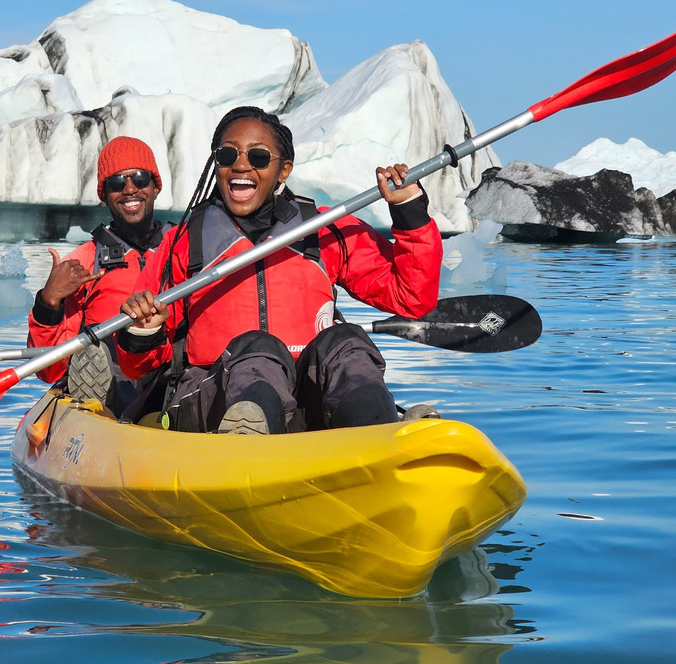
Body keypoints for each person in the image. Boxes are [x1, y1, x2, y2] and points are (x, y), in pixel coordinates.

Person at [116, 106, 443, 434]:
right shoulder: (184, 242)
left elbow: (412, 297)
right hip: (211, 400)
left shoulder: (324, 227)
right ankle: (247, 439)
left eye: (258, 157)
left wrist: (408, 211)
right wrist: (144, 332)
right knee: (259, 351)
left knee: (345, 344)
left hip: (304, 403)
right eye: (228, 155)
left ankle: (377, 430)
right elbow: (137, 367)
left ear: (283, 170)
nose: (241, 165)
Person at [27, 135, 171, 415]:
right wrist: (48, 302)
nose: (130, 189)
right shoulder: (82, 264)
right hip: (110, 378)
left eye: (140, 179)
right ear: (104, 194)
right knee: (95, 356)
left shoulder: (183, 249)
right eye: (117, 183)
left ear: (155, 187)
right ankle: (98, 403)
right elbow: (49, 369)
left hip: (166, 373)